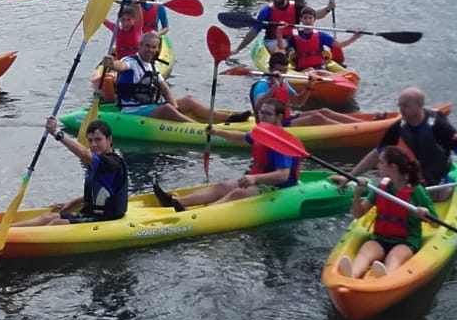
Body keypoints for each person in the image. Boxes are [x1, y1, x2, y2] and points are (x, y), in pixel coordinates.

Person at [0, 119, 128, 227]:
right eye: (90, 140)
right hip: (91, 214)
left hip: (105, 219)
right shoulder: (99, 161)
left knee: (56, 223)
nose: (94, 144)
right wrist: (71, 203)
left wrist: (57, 134)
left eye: (98, 139)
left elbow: (84, 154)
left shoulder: (111, 163)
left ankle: (10, 235)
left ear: (109, 140)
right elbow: (101, 191)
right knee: (48, 217)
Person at [151, 102, 299, 210]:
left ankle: (199, 215)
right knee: (221, 186)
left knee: (237, 193)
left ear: (279, 116)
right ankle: (176, 201)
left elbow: (283, 175)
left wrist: (255, 178)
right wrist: (218, 132)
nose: (262, 117)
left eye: (267, 114)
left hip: (277, 187)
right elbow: (241, 138)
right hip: (260, 180)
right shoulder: (263, 132)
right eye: (261, 113)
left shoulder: (282, 141)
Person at [351, 88, 457, 201]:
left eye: (405, 105)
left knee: (434, 195)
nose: (401, 110)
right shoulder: (398, 127)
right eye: (400, 105)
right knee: (390, 186)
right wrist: (352, 175)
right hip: (413, 179)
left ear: (419, 105)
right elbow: (376, 154)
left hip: (437, 182)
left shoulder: (438, 125)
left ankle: (443, 192)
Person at [95, 31, 249, 124]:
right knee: (167, 108)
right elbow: (120, 67)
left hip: (149, 106)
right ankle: (200, 129)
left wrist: (176, 106)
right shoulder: (130, 62)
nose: (150, 50)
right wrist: (112, 64)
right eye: (147, 46)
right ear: (140, 45)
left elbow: (165, 88)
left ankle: (227, 119)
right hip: (133, 111)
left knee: (188, 99)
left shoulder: (152, 66)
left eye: (154, 47)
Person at [333, 146, 436, 279]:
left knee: (394, 257)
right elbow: (358, 214)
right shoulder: (381, 187)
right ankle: (352, 275)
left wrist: (426, 214)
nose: (377, 165)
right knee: (366, 251)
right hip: (381, 239)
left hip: (406, 242)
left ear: (392, 167)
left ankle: (386, 278)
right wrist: (357, 194)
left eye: (381, 162)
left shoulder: (417, 190)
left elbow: (435, 223)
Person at [248, 49, 360, 126]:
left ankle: (360, 123)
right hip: (274, 124)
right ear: (271, 70)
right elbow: (258, 106)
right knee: (317, 117)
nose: (282, 73)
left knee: (324, 111)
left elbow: (298, 102)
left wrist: (309, 86)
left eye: (284, 71)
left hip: (286, 119)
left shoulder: (284, 82)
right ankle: (356, 131)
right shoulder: (262, 85)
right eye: (279, 70)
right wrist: (273, 88)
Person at [232, 0, 334, 56]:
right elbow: (254, 32)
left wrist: (328, 8)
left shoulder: (296, 8)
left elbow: (315, 15)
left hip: (292, 40)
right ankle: (284, 64)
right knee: (280, 50)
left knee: (310, 47)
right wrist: (238, 49)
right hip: (272, 41)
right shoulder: (266, 11)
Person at [288, 5, 361, 70]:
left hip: (319, 68)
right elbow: (281, 45)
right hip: (302, 69)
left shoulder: (321, 36)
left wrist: (354, 38)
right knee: (310, 71)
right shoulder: (294, 36)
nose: (308, 21)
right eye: (305, 18)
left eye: (310, 18)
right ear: (301, 19)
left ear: (314, 19)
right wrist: (279, 31)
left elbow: (339, 45)